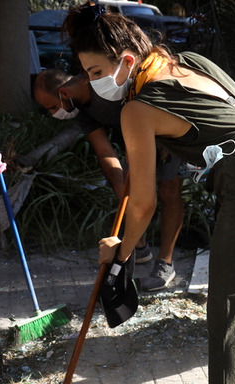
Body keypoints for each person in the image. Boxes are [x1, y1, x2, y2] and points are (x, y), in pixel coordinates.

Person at [63, 4, 235, 383]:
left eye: (97, 72)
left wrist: (120, 253)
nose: (95, 81)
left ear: (127, 60)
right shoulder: (190, 62)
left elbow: (145, 204)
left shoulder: (135, 109)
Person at [33, 69, 184, 292]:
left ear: (64, 92)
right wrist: (120, 183)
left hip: (167, 131)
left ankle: (165, 263)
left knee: (169, 191)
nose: (54, 113)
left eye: (52, 107)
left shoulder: (106, 85)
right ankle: (139, 246)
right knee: (124, 185)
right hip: (136, 139)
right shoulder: (82, 112)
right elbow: (104, 151)